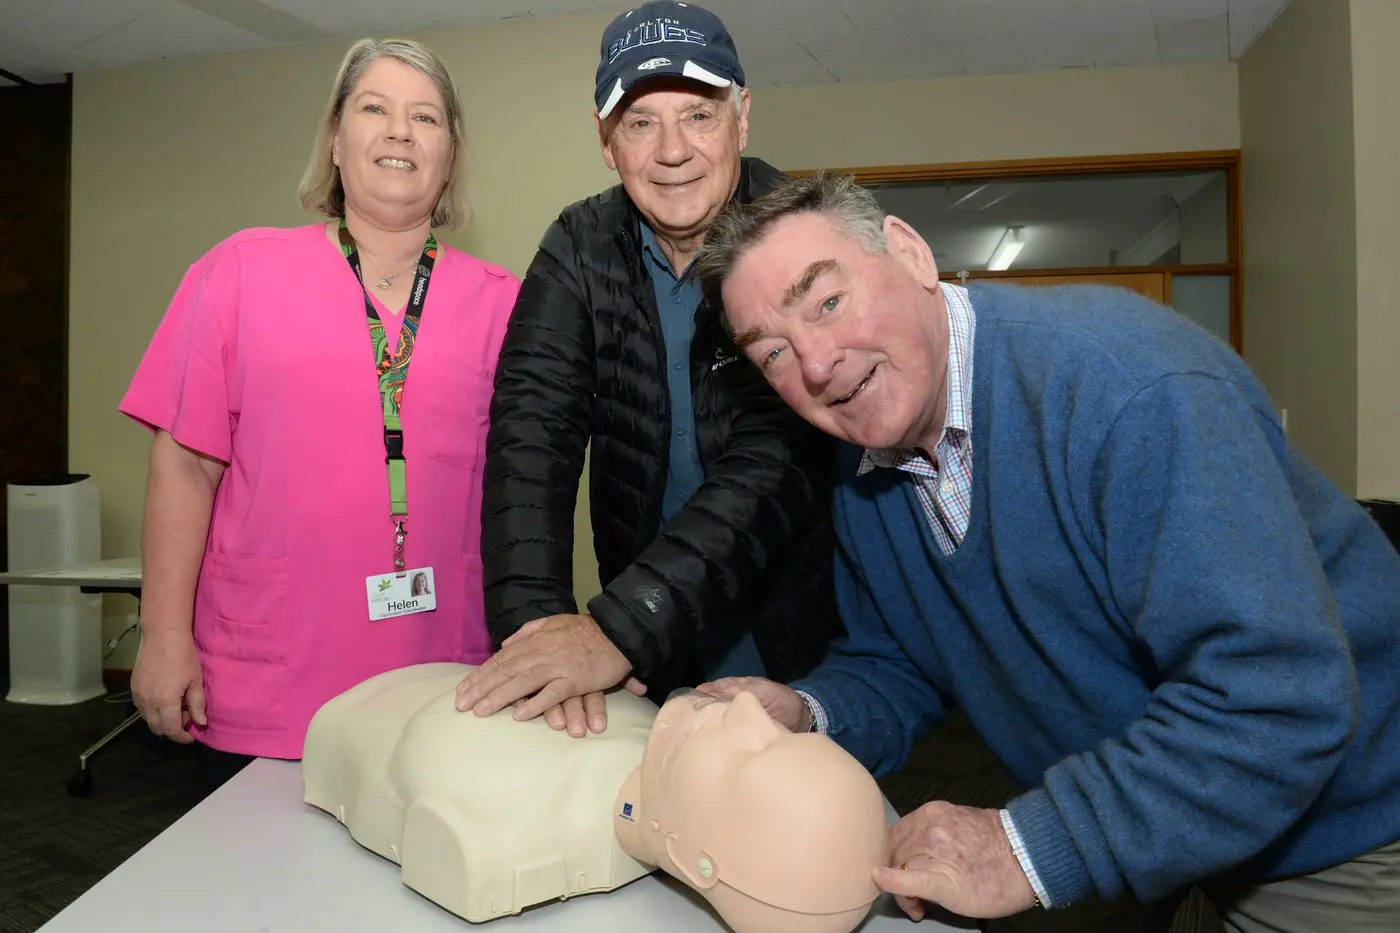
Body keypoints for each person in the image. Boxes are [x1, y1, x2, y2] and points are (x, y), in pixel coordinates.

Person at [690, 172, 1400, 933]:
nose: (818, 365)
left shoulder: (1129, 389)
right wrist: (805, 708)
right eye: (773, 353)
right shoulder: (863, 464)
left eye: (828, 302)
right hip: (1142, 802)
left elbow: (1277, 696)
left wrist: (1026, 846)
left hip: (1334, 824)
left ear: (912, 254)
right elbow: (896, 659)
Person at [118, 37, 520, 788]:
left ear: (450, 154)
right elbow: (185, 464)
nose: (400, 131)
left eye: (426, 117)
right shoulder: (237, 271)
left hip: (446, 674)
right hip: (268, 681)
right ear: (335, 140)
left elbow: (530, 491)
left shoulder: (507, 304)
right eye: (375, 108)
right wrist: (164, 632)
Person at [454, 1, 841, 739]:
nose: (673, 151)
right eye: (640, 123)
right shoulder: (578, 247)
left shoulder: (798, 240)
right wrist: (539, 637)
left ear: (742, 117)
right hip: (647, 647)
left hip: (792, 629)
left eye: (698, 114)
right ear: (607, 142)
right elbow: (532, 438)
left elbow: (780, 458)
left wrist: (614, 630)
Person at [303, 662, 893, 933]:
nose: (746, 710)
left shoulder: (508, 822)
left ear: (696, 863)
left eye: (747, 756)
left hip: (352, 718)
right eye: (776, 734)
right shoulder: (639, 716)